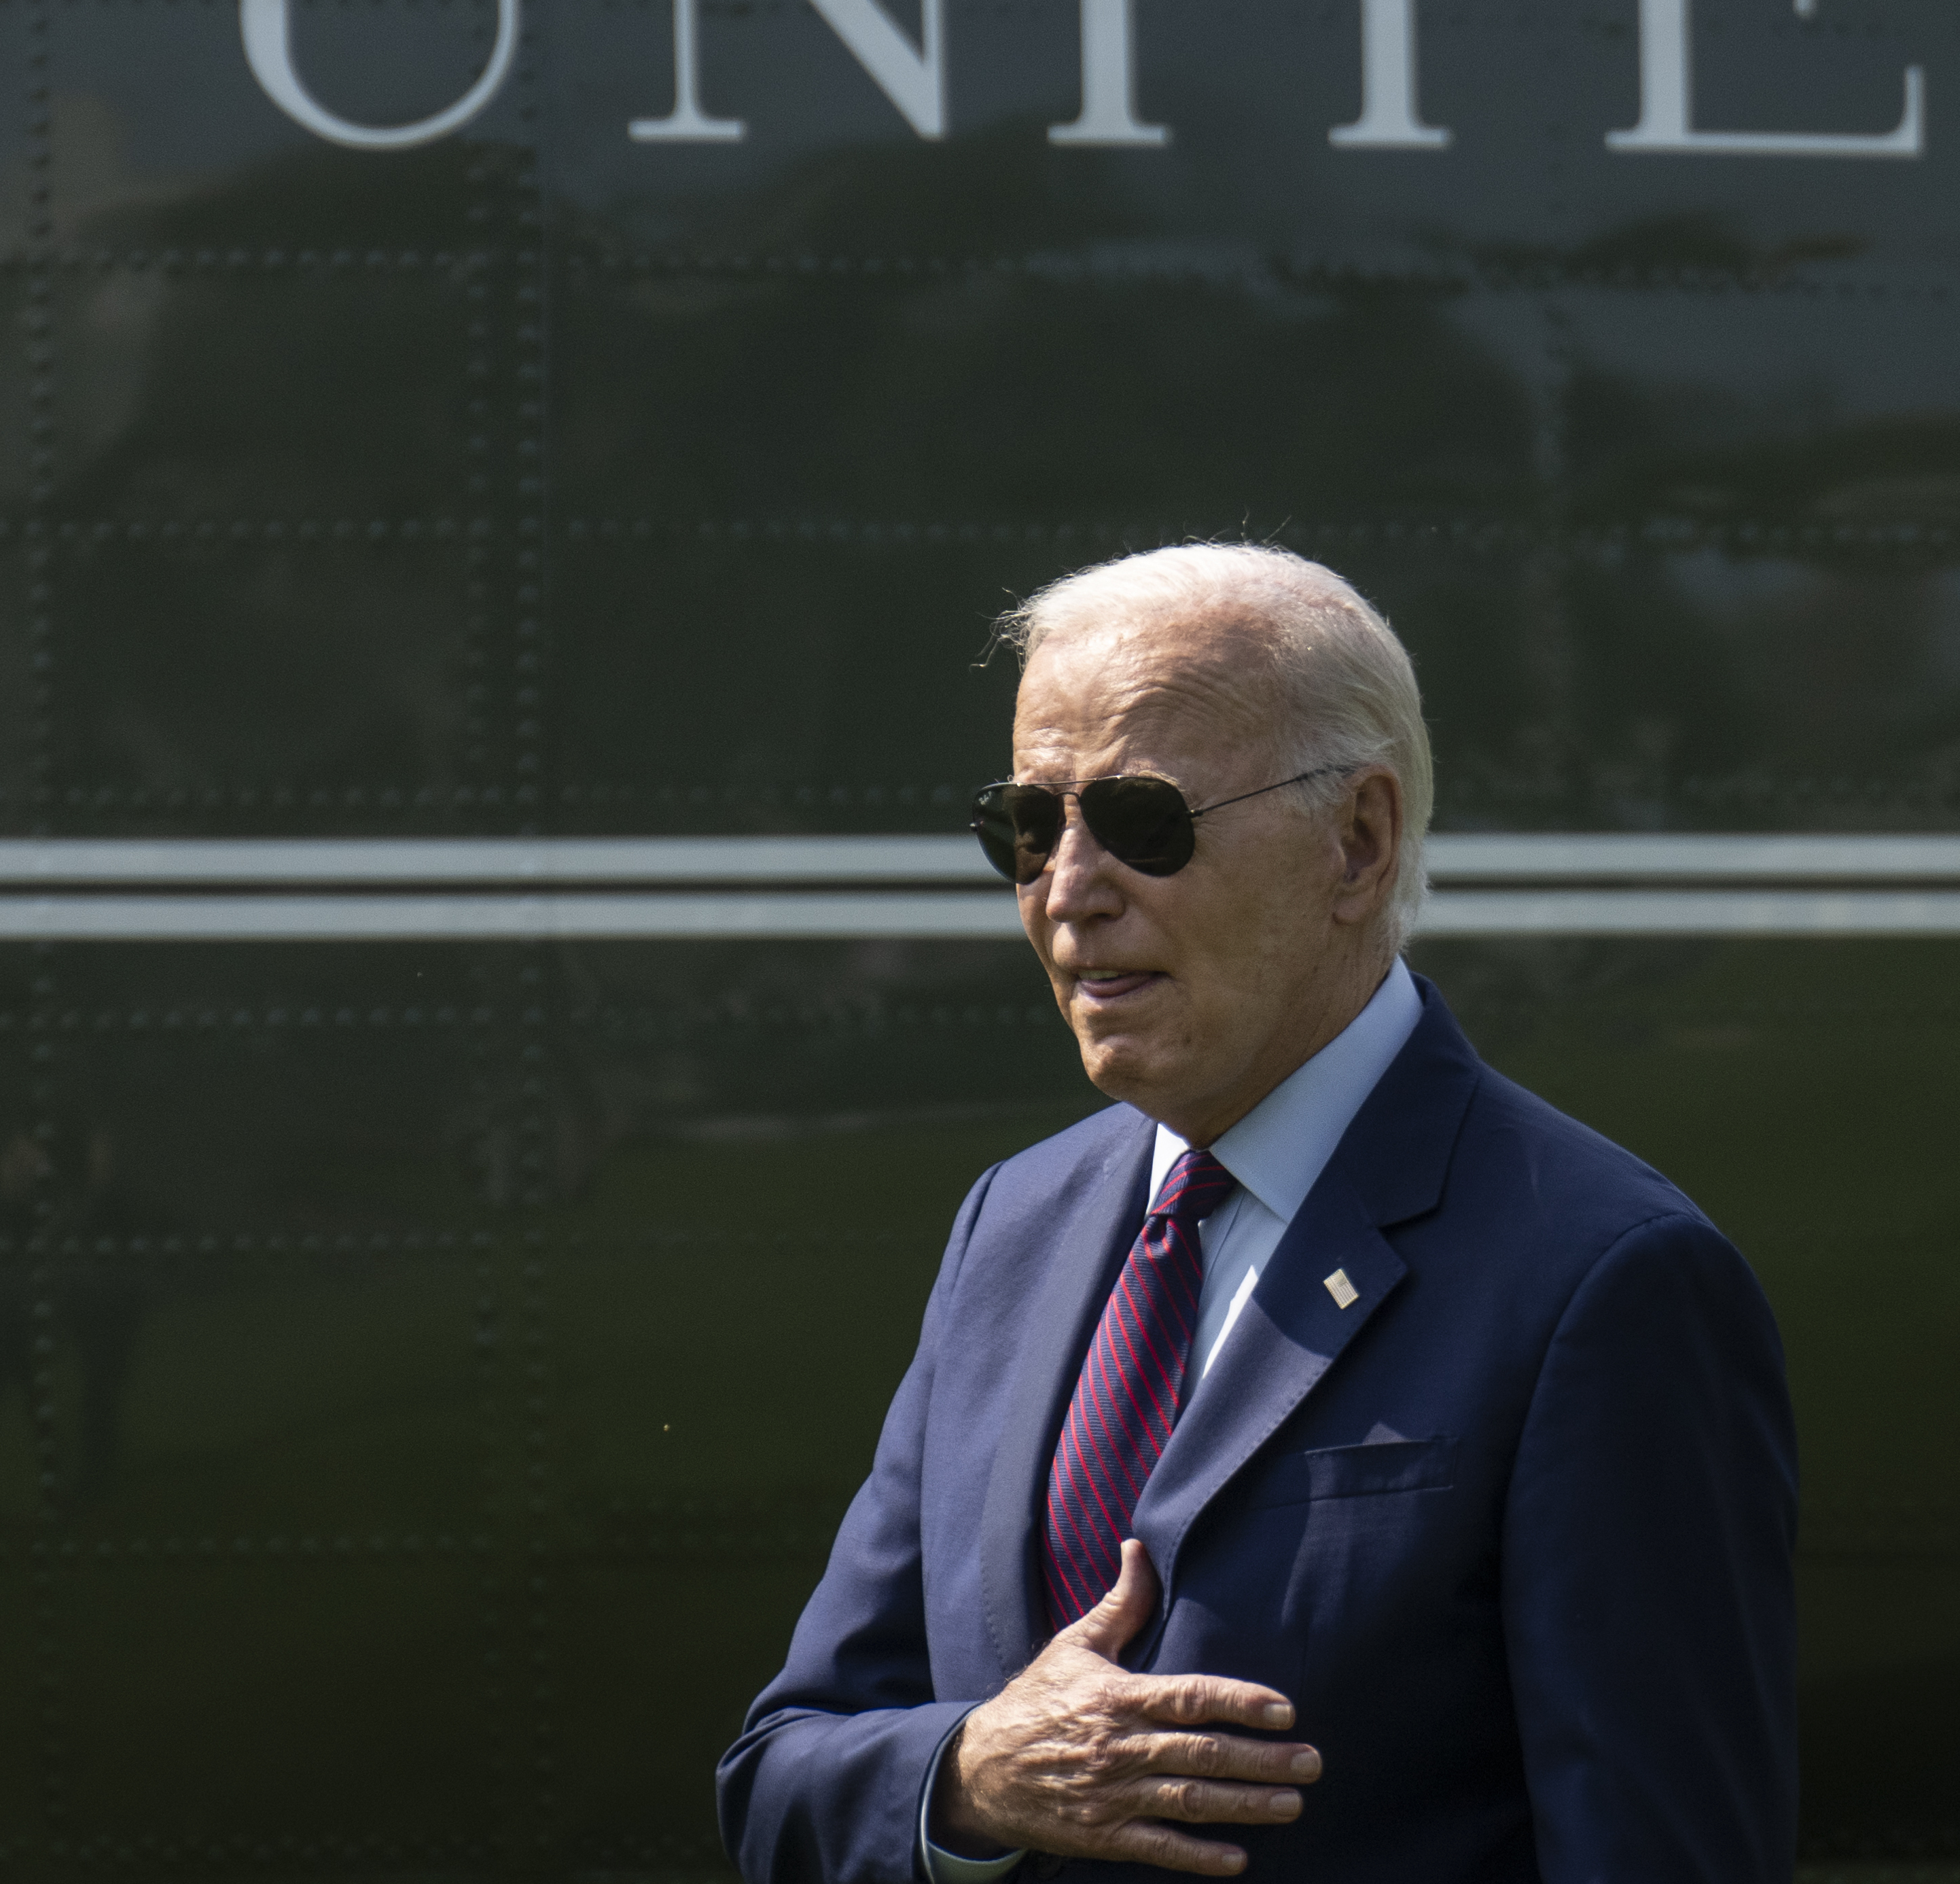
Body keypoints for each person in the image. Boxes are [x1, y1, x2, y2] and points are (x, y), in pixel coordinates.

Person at [718, 544, 1797, 1882]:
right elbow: (784, 1769)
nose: (1069, 890)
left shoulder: (1607, 1279)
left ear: (1357, 839)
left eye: (1143, 819)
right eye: (1030, 824)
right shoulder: (1015, 1223)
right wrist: (974, 1772)